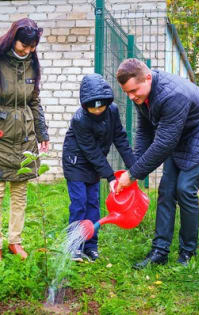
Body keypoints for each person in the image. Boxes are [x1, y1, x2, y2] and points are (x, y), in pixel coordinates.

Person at [116, 58, 199, 268]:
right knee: (166, 190)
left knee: (184, 188)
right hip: (180, 133)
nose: (131, 96)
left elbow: (163, 144)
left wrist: (132, 174)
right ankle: (159, 252)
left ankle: (187, 253)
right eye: (127, 92)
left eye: (134, 90)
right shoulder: (141, 96)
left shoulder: (171, 95)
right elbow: (145, 131)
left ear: (147, 78)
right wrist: (135, 168)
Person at [0, 18, 49, 268]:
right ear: (12, 37)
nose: (27, 51)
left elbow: (34, 101)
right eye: (23, 46)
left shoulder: (32, 64)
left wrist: (42, 132)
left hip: (23, 136)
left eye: (31, 47)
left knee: (20, 192)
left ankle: (15, 241)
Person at [62, 73, 136, 262]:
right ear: (84, 104)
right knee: (79, 204)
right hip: (76, 163)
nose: (97, 111)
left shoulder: (112, 111)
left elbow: (120, 138)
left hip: (94, 163)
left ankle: (91, 246)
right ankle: (74, 246)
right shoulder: (80, 119)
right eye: (92, 108)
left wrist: (135, 168)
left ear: (106, 102)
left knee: (93, 204)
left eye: (101, 107)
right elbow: (91, 151)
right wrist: (111, 177)